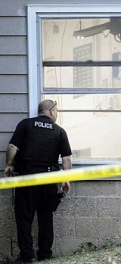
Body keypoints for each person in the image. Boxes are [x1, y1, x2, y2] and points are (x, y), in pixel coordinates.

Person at [4, 99, 72, 263]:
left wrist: (9, 165)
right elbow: (67, 159)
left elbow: (12, 147)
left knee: (23, 217)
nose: (56, 114)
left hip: (27, 177)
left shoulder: (25, 124)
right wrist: (66, 179)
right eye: (56, 111)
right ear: (50, 111)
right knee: (45, 217)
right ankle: (45, 255)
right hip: (49, 179)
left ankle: (28, 257)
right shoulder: (59, 131)